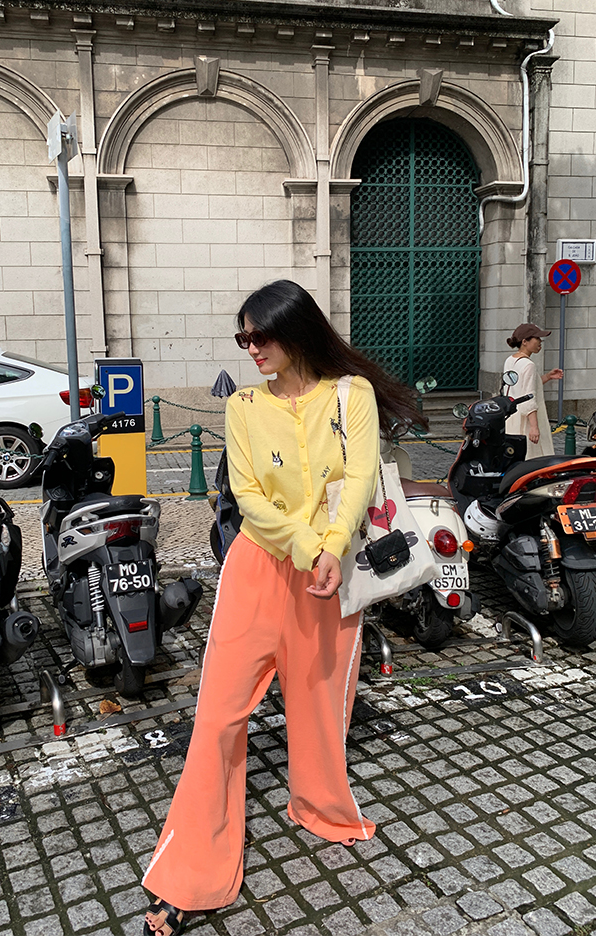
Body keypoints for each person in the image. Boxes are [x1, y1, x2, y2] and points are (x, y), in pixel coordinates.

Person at [142, 280, 425, 936]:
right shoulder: (243, 405)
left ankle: (319, 805)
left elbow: (360, 476)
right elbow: (245, 495)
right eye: (243, 338)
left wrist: (332, 546)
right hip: (258, 571)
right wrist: (308, 545)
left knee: (321, 705)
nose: (251, 348)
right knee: (217, 718)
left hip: (331, 573)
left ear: (297, 331)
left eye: (261, 335)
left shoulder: (350, 394)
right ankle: (191, 871)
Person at [503, 323, 563, 459]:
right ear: (525, 341)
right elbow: (529, 396)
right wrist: (534, 427)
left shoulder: (510, 360)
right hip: (527, 421)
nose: (540, 342)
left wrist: (547, 377)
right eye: (537, 338)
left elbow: (522, 387)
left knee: (515, 458)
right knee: (534, 460)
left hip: (512, 417)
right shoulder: (529, 365)